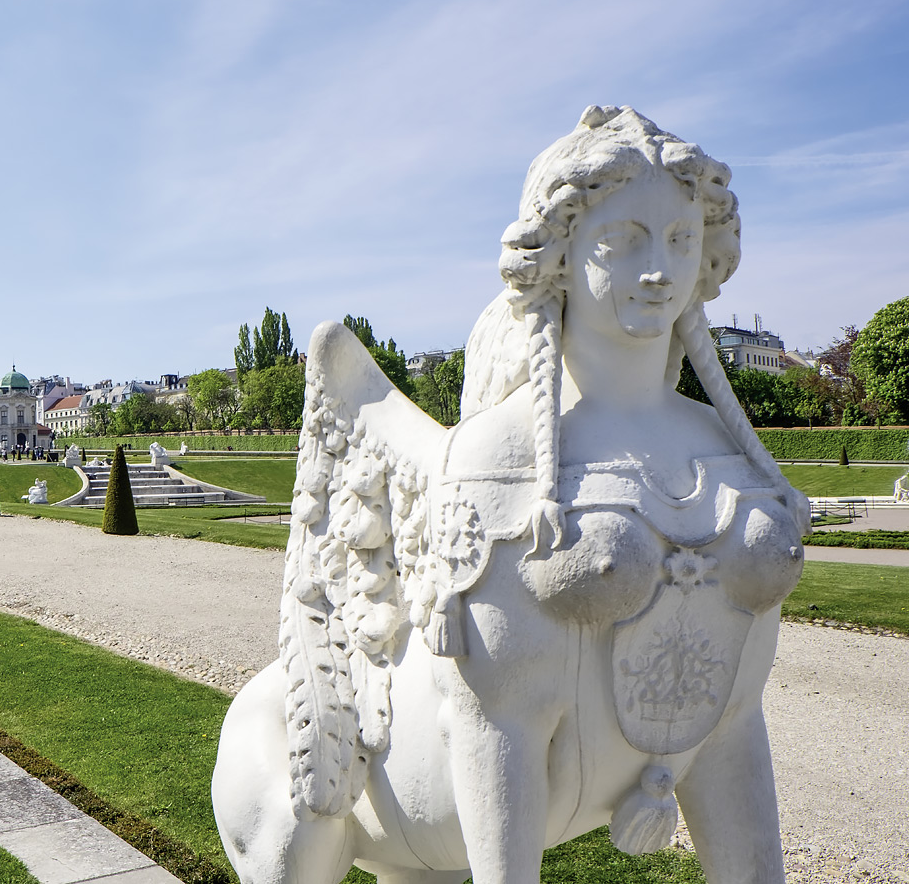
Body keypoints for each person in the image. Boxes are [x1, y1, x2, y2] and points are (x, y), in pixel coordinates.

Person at [212, 106, 808, 884]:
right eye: (621, 241)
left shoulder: (730, 448)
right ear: (560, 253)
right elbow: (502, 729)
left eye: (679, 239)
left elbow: (732, 729)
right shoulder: (498, 458)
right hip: (415, 803)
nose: (658, 269)